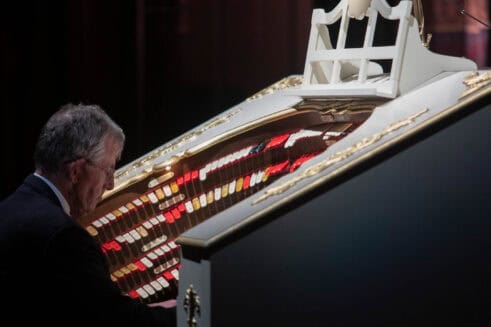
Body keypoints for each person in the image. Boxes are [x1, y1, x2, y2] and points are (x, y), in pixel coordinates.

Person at [0, 103, 176, 326]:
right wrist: (184, 313)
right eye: (108, 171)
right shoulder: (65, 238)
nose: (111, 184)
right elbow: (117, 322)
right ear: (75, 171)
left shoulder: (10, 206)